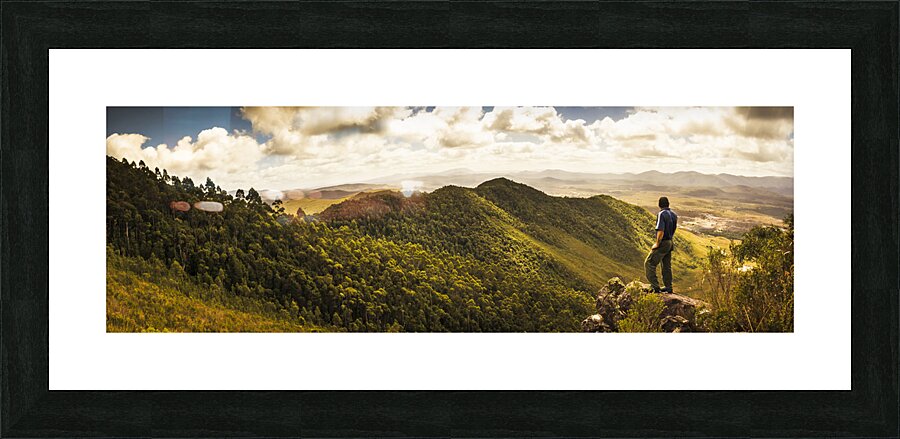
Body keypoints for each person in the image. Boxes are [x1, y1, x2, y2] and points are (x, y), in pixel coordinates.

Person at [645, 196, 677, 293]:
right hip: (670, 242)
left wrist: (657, 243)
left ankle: (655, 287)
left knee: (649, 263)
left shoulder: (661, 214)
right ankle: (668, 287)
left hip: (663, 242)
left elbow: (660, 230)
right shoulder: (674, 215)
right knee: (666, 266)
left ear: (659, 205)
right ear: (668, 204)